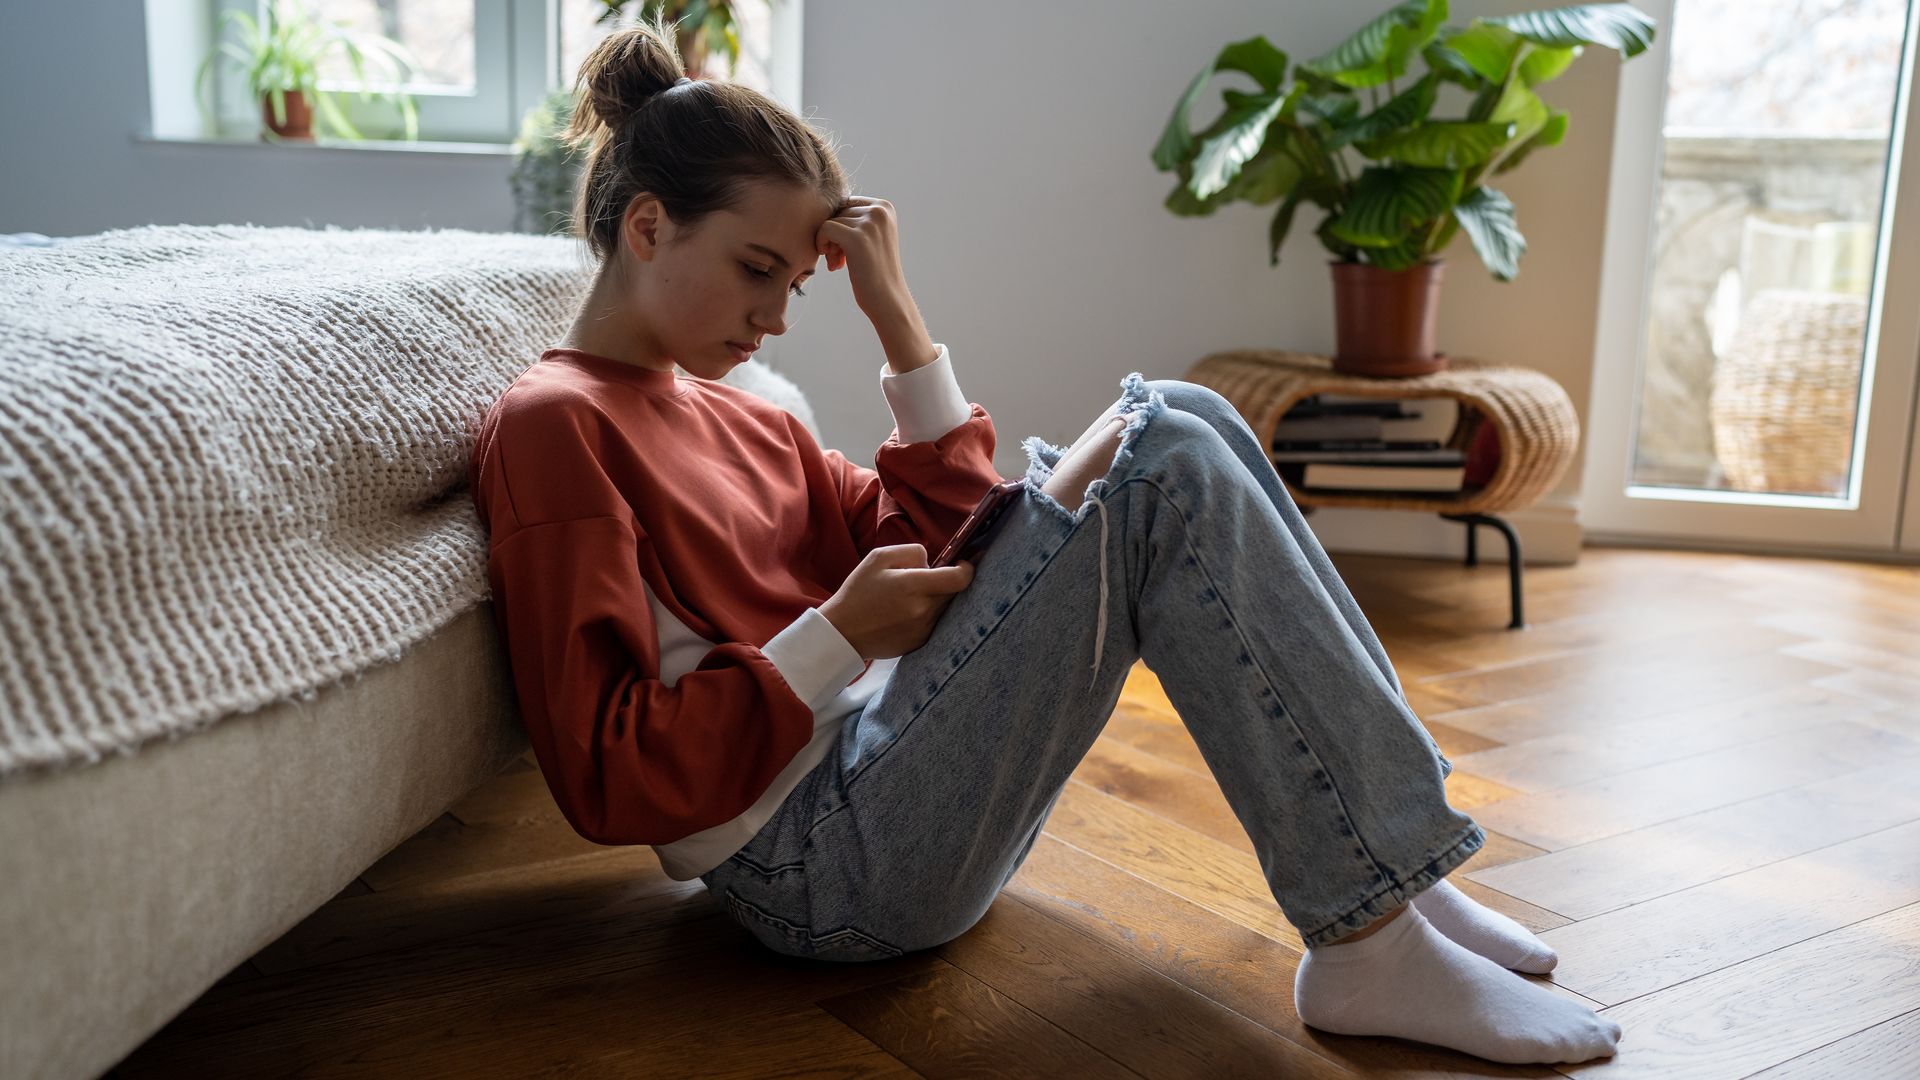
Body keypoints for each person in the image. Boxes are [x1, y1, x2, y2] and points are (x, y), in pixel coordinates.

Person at [467, 13, 1623, 1067]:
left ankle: (1397, 881)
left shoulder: (737, 410)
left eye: (793, 286)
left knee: (1179, 411)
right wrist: (830, 639)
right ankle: (1370, 931)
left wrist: (898, 318)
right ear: (649, 225)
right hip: (819, 875)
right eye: (755, 270)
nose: (774, 313)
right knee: (1160, 460)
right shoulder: (557, 425)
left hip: (890, 773)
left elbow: (949, 530)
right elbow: (604, 769)